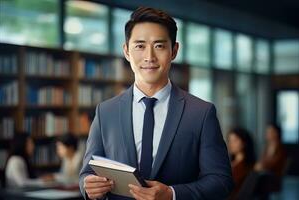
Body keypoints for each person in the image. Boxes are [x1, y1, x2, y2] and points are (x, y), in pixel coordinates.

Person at [79, 6, 233, 200]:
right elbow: (87, 173)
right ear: (126, 51)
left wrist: (172, 194)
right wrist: (88, 186)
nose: (149, 57)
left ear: (174, 50)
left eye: (159, 46)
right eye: (140, 46)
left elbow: (221, 181)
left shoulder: (201, 113)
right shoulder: (106, 111)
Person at [254, 124, 287, 192]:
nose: (267, 134)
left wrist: (262, 165)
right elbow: (262, 160)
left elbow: (275, 164)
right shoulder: (267, 147)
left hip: (272, 177)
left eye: (270, 132)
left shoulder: (280, 148)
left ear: (276, 133)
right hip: (265, 174)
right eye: (267, 132)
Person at [227, 128, 256, 199]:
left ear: (244, 143)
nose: (231, 144)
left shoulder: (245, 167)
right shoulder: (232, 163)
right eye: (229, 141)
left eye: (235, 140)